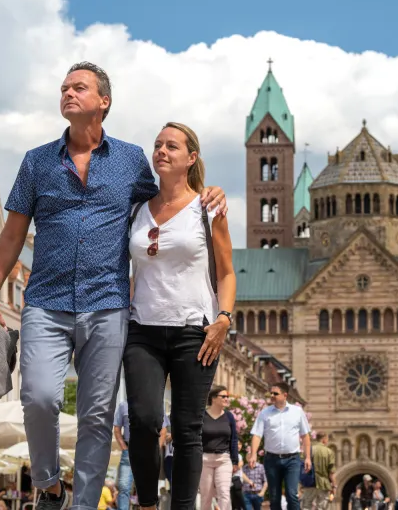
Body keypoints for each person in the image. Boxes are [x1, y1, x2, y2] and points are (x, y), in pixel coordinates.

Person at [0, 62, 227, 510]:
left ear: (103, 102)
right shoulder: (36, 162)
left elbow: (169, 202)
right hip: (46, 302)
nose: (68, 93)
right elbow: (13, 233)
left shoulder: (131, 160)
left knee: (96, 417)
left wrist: (211, 193)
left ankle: (83, 505)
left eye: (79, 87)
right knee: (38, 398)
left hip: (108, 304)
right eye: (64, 88)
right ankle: (50, 484)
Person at [124, 123, 235, 510]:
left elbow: (226, 272)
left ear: (191, 158)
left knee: (188, 428)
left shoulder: (208, 207)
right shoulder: (137, 208)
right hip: (143, 330)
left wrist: (223, 318)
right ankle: (148, 505)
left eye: (171, 146)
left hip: (195, 331)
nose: (161, 151)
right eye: (157, 145)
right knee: (143, 419)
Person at [248, 383, 312, 510]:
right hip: (271, 459)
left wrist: (308, 457)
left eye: (275, 394)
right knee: (274, 497)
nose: (272, 396)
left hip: (292, 459)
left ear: (285, 395)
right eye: (271, 393)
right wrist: (254, 454)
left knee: (291, 494)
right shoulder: (265, 413)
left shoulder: (297, 411)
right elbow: (256, 435)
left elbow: (305, 435)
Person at [198, 386, 240, 510]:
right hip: (205, 459)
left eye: (228, 396)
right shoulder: (202, 415)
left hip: (223, 459)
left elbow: (233, 439)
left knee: (224, 493)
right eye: (224, 396)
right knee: (206, 495)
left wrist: (235, 460)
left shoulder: (229, 416)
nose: (227, 399)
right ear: (214, 398)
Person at [301, 433, 335, 510]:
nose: (327, 441)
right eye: (327, 439)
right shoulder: (329, 452)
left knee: (306, 505)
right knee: (322, 507)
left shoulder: (309, 450)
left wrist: (301, 483)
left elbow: (302, 466)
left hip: (309, 482)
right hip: (323, 483)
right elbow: (331, 472)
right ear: (324, 439)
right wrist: (334, 485)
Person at [113, 401, 133, 510]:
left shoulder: (155, 400)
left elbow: (163, 430)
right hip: (128, 450)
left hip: (147, 450)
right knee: (124, 487)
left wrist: (156, 449)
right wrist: (124, 448)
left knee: (147, 488)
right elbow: (117, 429)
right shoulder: (123, 405)